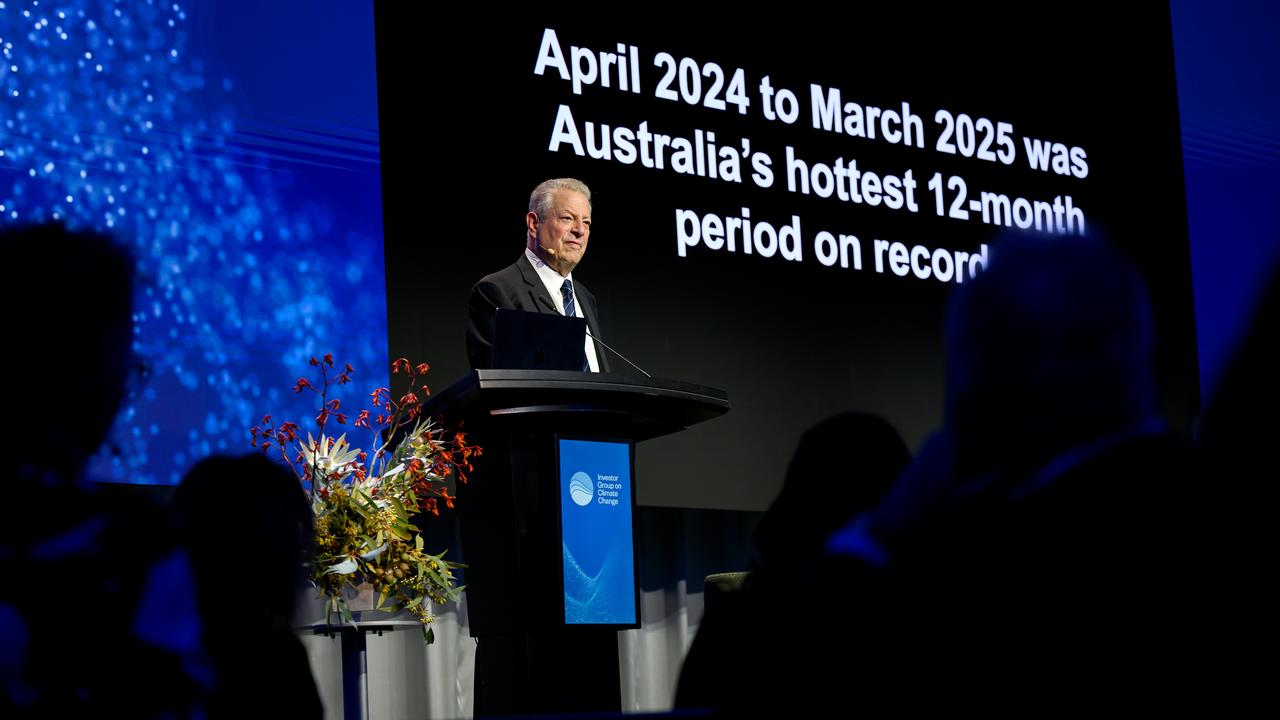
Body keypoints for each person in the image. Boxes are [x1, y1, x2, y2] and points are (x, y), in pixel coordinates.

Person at [465, 178, 610, 372]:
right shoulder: (497, 291)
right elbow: (500, 384)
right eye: (567, 218)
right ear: (533, 224)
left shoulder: (586, 298)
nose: (580, 230)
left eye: (586, 222)